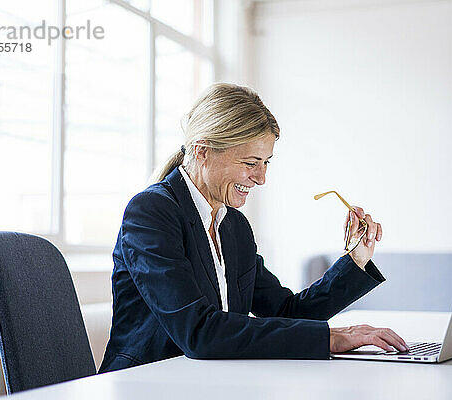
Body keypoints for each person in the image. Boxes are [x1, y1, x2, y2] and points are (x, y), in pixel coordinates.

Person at [99, 83, 407, 373]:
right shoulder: (151, 212)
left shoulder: (235, 226)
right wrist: (330, 337)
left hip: (212, 382)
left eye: (266, 163)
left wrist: (355, 260)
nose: (261, 178)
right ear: (203, 151)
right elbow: (198, 332)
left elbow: (286, 312)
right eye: (250, 163)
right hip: (147, 384)